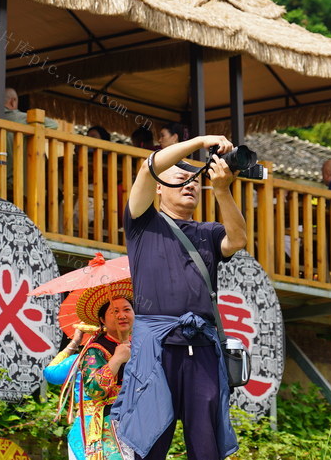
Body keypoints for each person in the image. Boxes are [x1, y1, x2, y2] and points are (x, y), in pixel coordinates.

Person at [112, 134, 247, 460]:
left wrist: (222, 189)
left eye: (194, 183)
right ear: (159, 188)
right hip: (155, 345)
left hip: (200, 344)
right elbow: (147, 169)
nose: (190, 186)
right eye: (180, 180)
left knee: (206, 444)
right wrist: (200, 140)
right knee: (150, 437)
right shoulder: (142, 223)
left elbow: (238, 239)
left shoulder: (208, 232)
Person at [69, 281, 134, 460]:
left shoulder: (143, 345)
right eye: (114, 311)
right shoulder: (95, 349)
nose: (122, 315)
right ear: (103, 320)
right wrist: (117, 359)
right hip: (111, 422)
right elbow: (94, 390)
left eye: (127, 309)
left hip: (140, 420)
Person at [44, 327, 89, 460]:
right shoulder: (129, 356)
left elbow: (51, 372)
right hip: (122, 426)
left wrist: (75, 342)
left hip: (84, 428)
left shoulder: (79, 360)